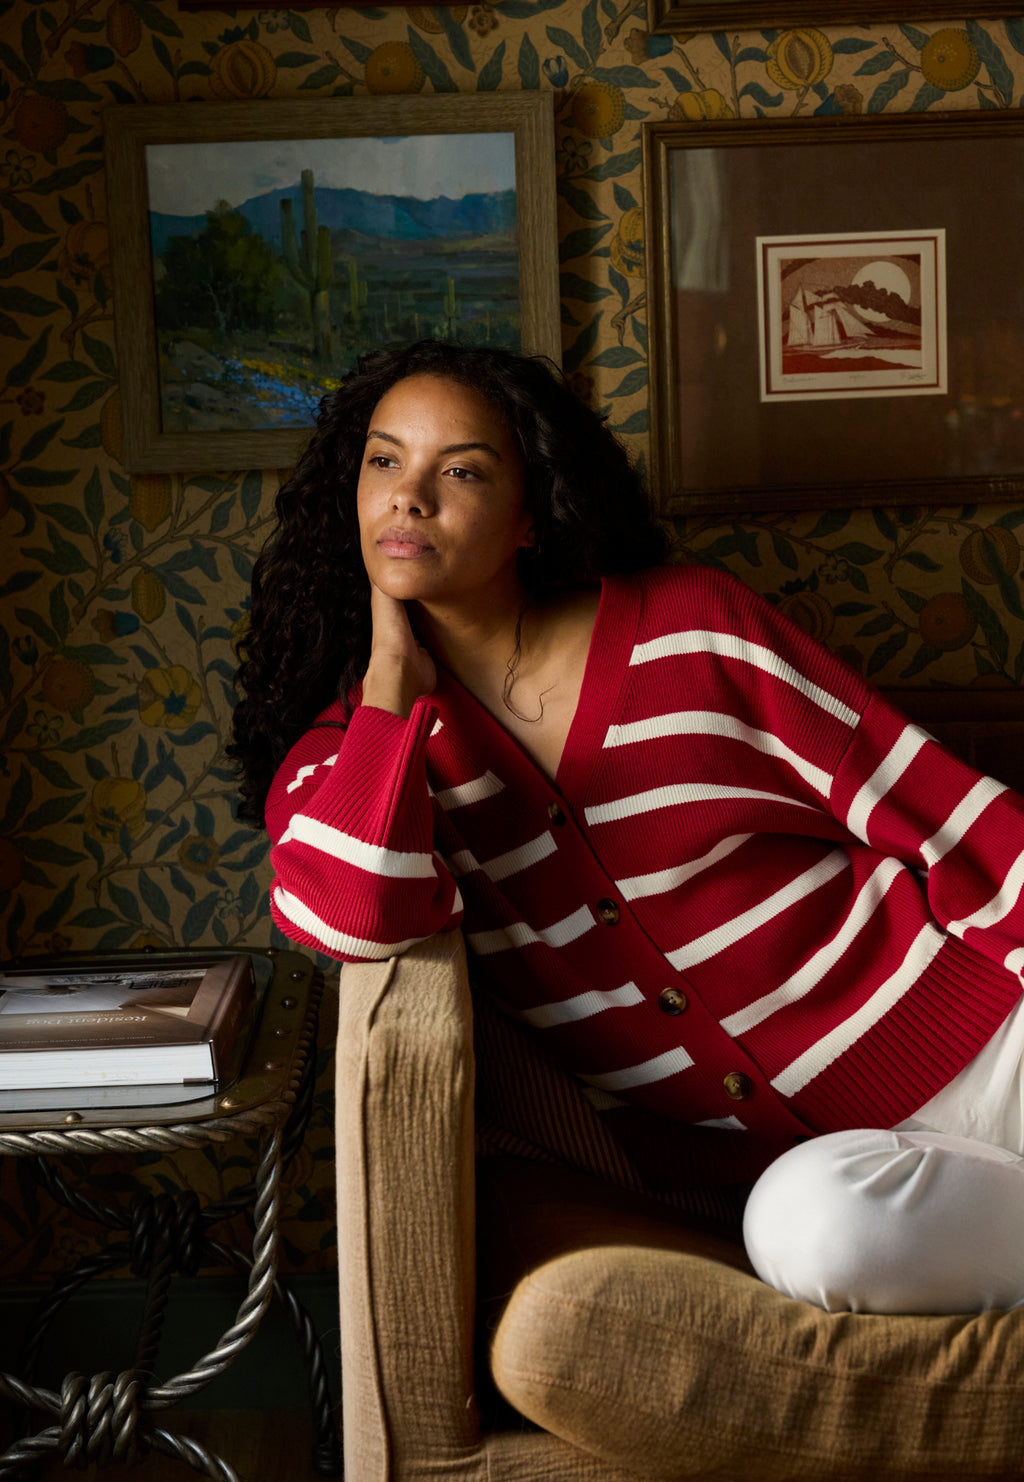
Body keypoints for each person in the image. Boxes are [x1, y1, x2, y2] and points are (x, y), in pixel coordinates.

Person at [231, 339, 1024, 1316]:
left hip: (992, 1041)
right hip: (825, 1176)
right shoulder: (352, 757)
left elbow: (951, 822)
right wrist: (391, 687)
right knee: (815, 1238)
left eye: (462, 470)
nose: (410, 497)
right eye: (384, 461)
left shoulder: (689, 628)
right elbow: (352, 914)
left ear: (528, 514)